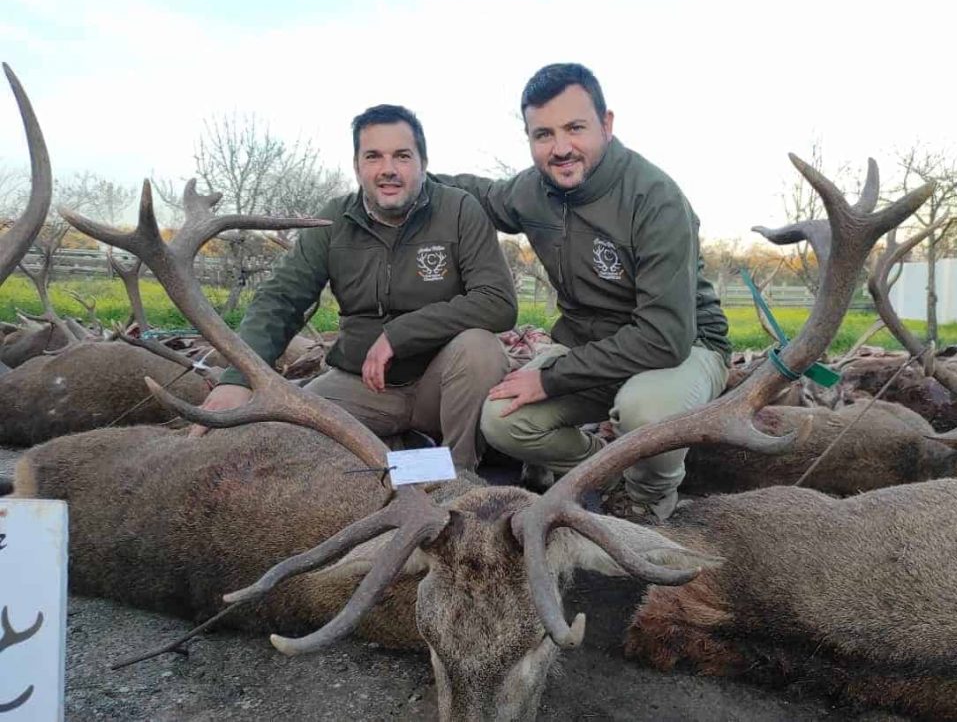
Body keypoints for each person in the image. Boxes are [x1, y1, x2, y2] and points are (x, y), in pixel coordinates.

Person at [436, 63, 731, 521]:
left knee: (644, 410)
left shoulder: (656, 199)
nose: (561, 148)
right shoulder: (533, 191)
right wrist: (409, 177)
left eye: (575, 128)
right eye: (543, 135)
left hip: (684, 347)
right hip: (593, 350)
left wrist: (549, 378)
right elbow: (481, 195)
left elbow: (664, 337)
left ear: (606, 124)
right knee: (502, 420)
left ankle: (649, 498)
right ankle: (606, 471)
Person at [195, 104, 518, 472]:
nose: (388, 170)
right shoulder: (333, 221)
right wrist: (238, 378)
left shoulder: (460, 210)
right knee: (282, 432)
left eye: (402, 156)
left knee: (480, 348)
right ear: (357, 166)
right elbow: (281, 298)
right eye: (374, 156)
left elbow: (498, 303)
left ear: (423, 162)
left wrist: (399, 335)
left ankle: (457, 475)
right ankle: (403, 457)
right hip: (362, 388)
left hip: (440, 389)